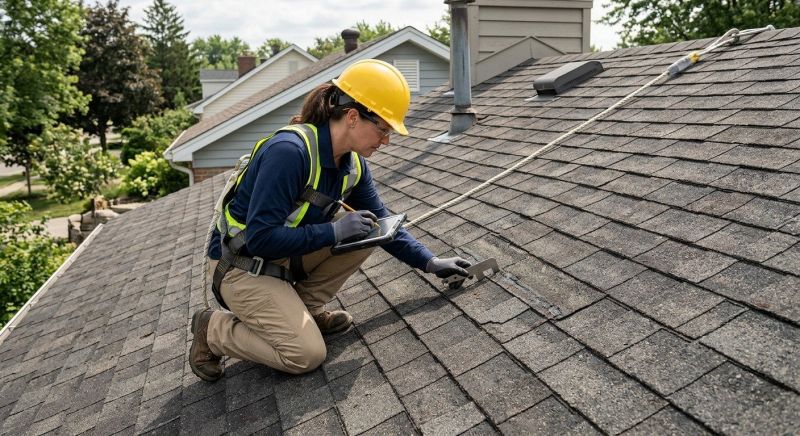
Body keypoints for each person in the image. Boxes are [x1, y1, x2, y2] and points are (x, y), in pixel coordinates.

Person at [189, 59, 472, 381]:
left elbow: (383, 222)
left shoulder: (352, 166)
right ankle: (213, 329)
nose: (386, 141)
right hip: (241, 266)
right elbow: (261, 238)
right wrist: (333, 231)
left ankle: (302, 312)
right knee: (305, 355)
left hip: (279, 258)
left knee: (369, 231)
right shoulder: (289, 152)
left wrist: (430, 262)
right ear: (353, 116)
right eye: (382, 129)